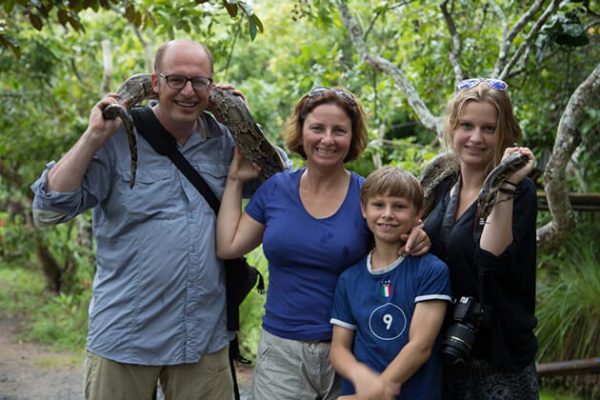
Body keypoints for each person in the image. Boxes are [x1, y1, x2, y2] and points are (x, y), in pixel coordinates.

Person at [31, 39, 243, 399]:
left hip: (202, 337)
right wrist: (92, 136)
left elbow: (282, 190)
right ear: (155, 82)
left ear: (212, 86)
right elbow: (49, 209)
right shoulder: (115, 137)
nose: (188, 91)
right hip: (126, 335)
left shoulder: (224, 140)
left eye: (199, 81)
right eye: (176, 79)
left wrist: (242, 122)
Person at [216, 87, 431, 399]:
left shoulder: (367, 197)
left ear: (352, 137)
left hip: (352, 349)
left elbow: (397, 247)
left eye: (339, 131)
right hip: (281, 350)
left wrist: (418, 235)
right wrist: (235, 180)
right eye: (317, 128)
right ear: (301, 132)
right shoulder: (276, 190)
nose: (327, 140)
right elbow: (229, 245)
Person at [423, 78, 539, 399]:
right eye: (467, 125)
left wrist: (505, 183)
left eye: (489, 128)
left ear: (505, 132)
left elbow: (490, 258)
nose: (476, 137)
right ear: (452, 127)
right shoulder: (441, 186)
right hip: (443, 348)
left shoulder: (519, 190)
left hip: (497, 359)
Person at [329, 167, 451, 400]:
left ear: (419, 213)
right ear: (364, 209)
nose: (387, 214)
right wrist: (359, 374)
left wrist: (376, 391)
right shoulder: (349, 278)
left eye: (399, 206)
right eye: (378, 205)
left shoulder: (431, 271)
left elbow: (420, 346)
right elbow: (339, 349)